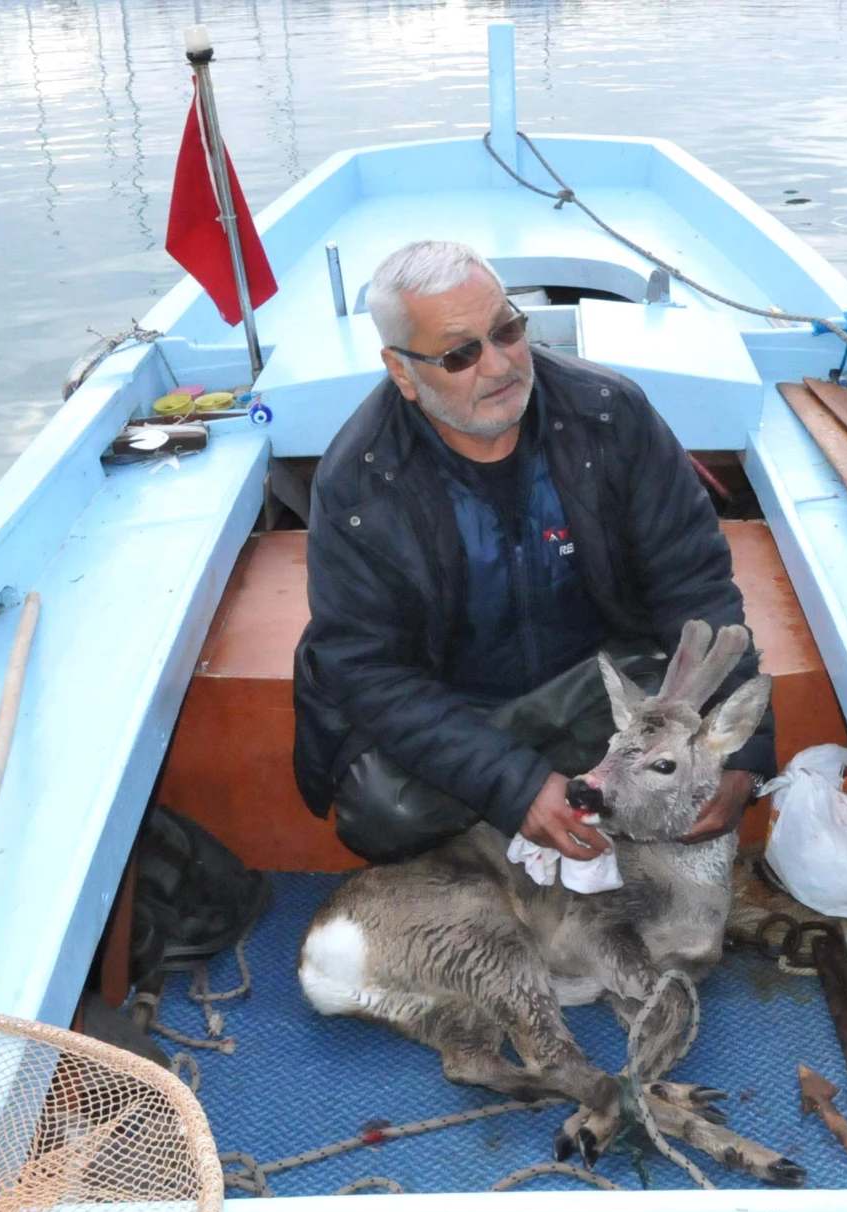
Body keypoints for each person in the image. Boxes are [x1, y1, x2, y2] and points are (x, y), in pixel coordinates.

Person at [293, 240, 774, 865]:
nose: (499, 365)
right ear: (402, 372)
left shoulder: (611, 415)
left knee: (688, 725)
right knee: (384, 814)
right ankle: (543, 796)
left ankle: (558, 795)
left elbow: (696, 587)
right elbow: (368, 670)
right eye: (460, 353)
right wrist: (513, 783)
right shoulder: (359, 481)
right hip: (452, 699)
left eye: (507, 330)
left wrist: (746, 757)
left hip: (594, 678)